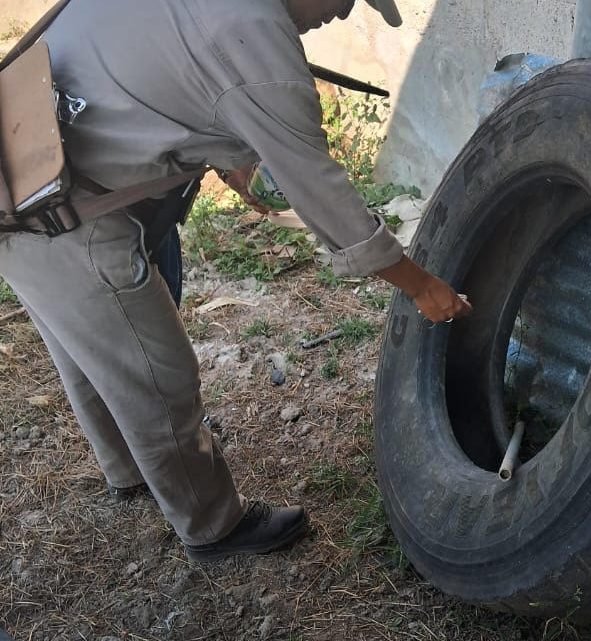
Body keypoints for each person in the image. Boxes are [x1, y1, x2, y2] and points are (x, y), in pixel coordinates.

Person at [0, 0, 472, 562]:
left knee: (92, 349)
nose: (343, 13)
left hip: (19, 160)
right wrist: (421, 285)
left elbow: (168, 73)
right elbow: (323, 194)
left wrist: (230, 159)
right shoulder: (255, 39)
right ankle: (212, 525)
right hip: (59, 213)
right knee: (158, 377)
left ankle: (130, 470)